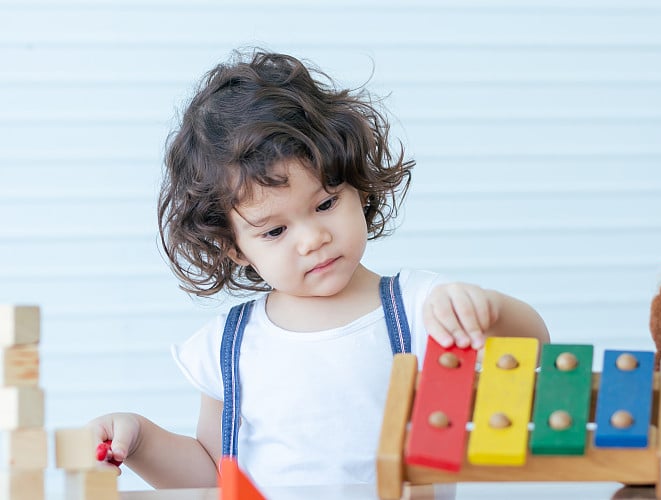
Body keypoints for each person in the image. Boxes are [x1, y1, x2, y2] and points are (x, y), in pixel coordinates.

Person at [89, 49, 550, 491]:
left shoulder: (419, 307)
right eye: (274, 231)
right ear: (235, 248)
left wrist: (489, 312)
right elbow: (215, 479)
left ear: (357, 186)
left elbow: (534, 354)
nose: (312, 239)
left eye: (325, 203)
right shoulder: (228, 345)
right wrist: (143, 442)